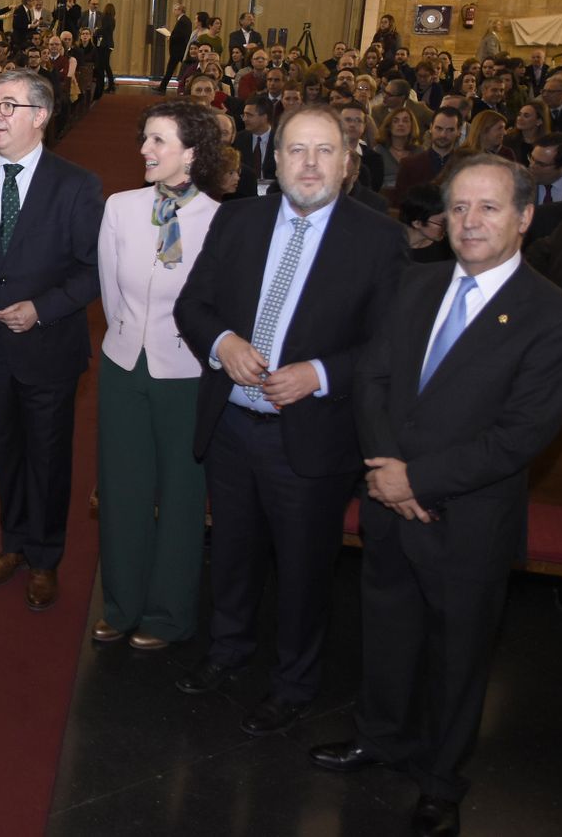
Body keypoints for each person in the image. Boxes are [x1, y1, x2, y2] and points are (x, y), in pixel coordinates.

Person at [310, 156, 562, 837]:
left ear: (525, 218)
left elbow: (521, 434)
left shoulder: (558, 319)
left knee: (458, 654)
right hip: (389, 500)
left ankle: (440, 777)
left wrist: (417, 479)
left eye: (489, 208)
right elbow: (373, 379)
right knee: (385, 629)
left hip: (466, 519)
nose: (469, 222)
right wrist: (386, 469)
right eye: (460, 207)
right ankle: (378, 736)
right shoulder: (415, 284)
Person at [172, 105, 409, 735]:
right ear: (273, 160)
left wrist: (320, 375)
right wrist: (222, 342)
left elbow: (389, 349)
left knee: (304, 569)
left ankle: (294, 682)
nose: (309, 163)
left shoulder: (379, 238)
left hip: (312, 439)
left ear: (348, 162)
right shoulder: (238, 218)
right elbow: (193, 304)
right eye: (296, 150)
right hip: (230, 427)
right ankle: (228, 650)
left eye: (324, 151)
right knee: (231, 552)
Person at [0, 69, 102, 611]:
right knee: (5, 452)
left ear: (40, 116)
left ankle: (45, 557)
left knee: (49, 457)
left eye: (9, 106)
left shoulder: (76, 184)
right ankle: (13, 544)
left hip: (49, 347)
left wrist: (42, 308)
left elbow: (91, 270)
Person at [94, 101, 223, 645]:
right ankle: (121, 606)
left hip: (187, 372)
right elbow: (108, 291)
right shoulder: (120, 207)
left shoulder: (220, 220)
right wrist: (128, 338)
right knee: (122, 489)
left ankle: (169, 614)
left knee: (181, 496)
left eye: (159, 141)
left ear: (191, 154)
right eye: (144, 139)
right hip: (123, 365)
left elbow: (219, 305)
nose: (144, 150)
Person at [397, 183, 452, 263]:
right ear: (417, 223)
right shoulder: (391, 246)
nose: (448, 227)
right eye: (441, 222)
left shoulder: (447, 247)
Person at [157, 4, 193, 95]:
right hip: (179, 49)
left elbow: (181, 35)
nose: (173, 11)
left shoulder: (183, 20)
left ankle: (163, 87)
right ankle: (162, 86)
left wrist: (170, 36)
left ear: (180, 10)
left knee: (174, 68)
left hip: (178, 49)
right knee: (173, 68)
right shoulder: (184, 20)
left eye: (175, 9)